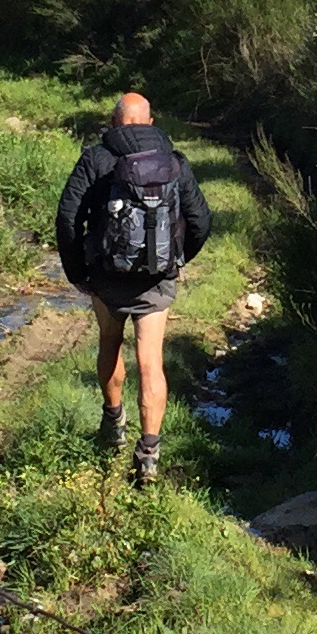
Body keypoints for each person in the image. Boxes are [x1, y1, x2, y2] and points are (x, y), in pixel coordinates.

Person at [55, 91, 211, 482]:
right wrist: (175, 260)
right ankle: (149, 455)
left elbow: (68, 217)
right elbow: (200, 220)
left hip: (106, 275)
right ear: (151, 123)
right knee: (150, 361)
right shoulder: (174, 161)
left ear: (114, 123)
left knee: (110, 342)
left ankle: (113, 424)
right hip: (155, 279)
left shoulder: (96, 159)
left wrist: (77, 272)